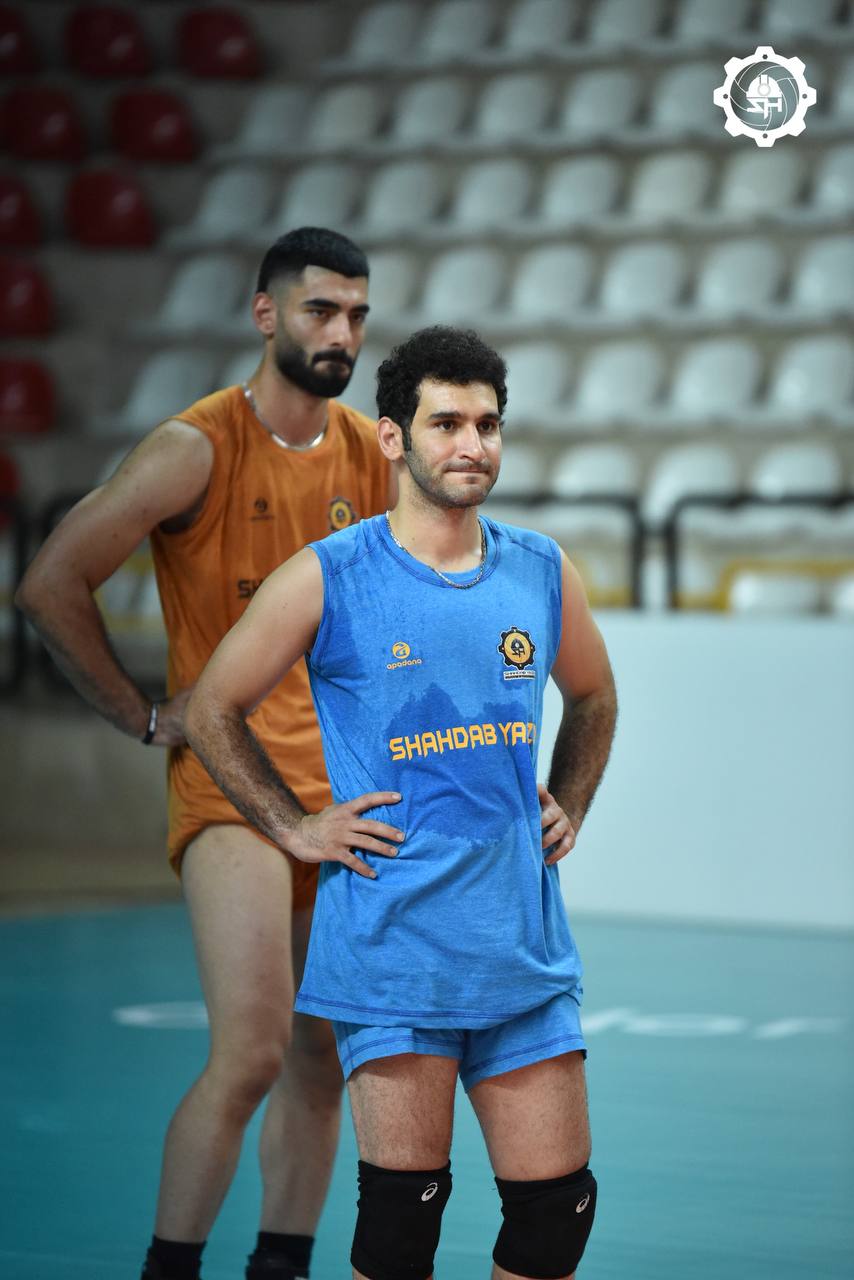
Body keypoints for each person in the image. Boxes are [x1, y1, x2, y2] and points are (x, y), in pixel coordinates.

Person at [182, 325, 618, 1280]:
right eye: (447, 423)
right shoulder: (331, 575)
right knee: (400, 1227)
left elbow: (593, 696)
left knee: (557, 1216)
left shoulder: (541, 569)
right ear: (392, 438)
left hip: (521, 948)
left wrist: (573, 799)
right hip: (394, 956)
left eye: (488, 425)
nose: (472, 445)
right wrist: (295, 827)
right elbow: (212, 707)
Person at [15, 227, 392, 1280]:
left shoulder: (370, 452)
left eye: (357, 315)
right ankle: (169, 1266)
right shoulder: (196, 447)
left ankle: (280, 1263)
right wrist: (144, 716)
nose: (342, 333)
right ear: (265, 314)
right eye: (320, 310)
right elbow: (49, 583)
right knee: (253, 1052)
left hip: (341, 793)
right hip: (230, 785)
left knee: (322, 1060)